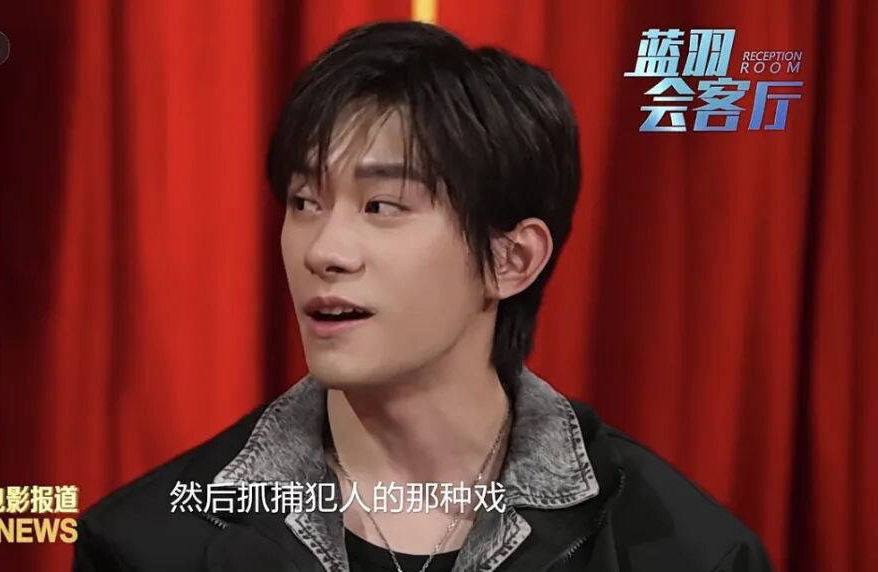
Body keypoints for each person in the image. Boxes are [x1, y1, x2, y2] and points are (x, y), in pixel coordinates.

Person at [73, 21, 771, 572]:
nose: (323, 250)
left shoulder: (685, 551)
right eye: (305, 202)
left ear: (512, 260)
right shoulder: (149, 545)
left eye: (382, 206)